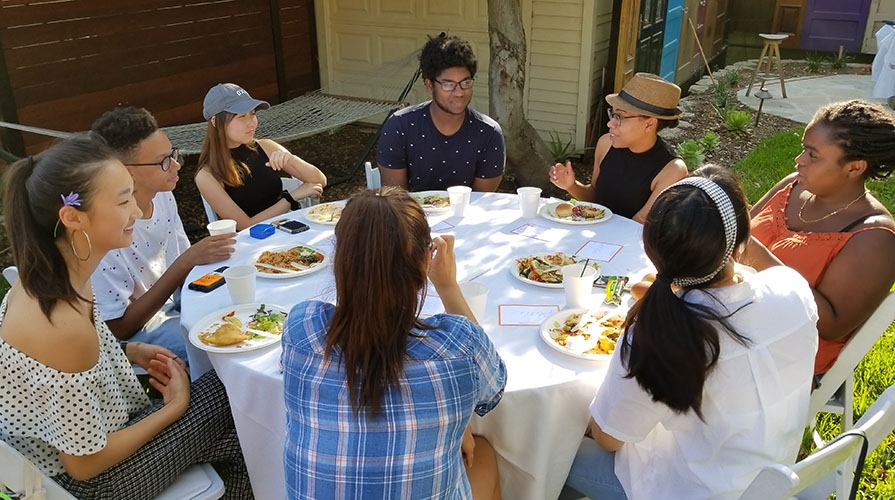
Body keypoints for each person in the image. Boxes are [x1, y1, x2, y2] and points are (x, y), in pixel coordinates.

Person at [0, 136, 253, 499]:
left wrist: (129, 350)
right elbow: (83, 464)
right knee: (230, 396)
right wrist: (175, 408)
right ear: (72, 217)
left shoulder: (49, 278)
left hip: (85, 447)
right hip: (81, 485)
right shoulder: (63, 322)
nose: (136, 211)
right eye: (123, 200)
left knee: (239, 430)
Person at [562, 167, 818, 500]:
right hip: (769, 478)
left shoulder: (658, 331)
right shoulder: (793, 291)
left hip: (681, 489)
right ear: (742, 240)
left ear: (653, 250)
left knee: (547, 450)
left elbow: (608, 437)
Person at [281, 187, 506, 499]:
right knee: (484, 456)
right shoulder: (460, 345)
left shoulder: (300, 329)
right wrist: (448, 285)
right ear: (427, 259)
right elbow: (492, 392)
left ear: (339, 256)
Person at [745, 99, 895, 375]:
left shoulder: (873, 237)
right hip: (731, 319)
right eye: (804, 149)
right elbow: (738, 233)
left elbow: (832, 324)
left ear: (855, 167)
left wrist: (759, 257)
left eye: (813, 155)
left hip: (783, 358)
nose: (799, 161)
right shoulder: (791, 186)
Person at [90, 106, 236, 364]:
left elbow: (184, 270)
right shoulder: (104, 231)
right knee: (218, 344)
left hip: (179, 298)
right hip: (139, 330)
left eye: (172, 154)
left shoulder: (163, 196)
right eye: (163, 161)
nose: (176, 165)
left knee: (247, 310)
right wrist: (187, 261)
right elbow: (119, 328)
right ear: (127, 171)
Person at [548, 72, 688, 223]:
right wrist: (571, 185)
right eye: (613, 115)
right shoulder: (606, 144)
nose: (610, 124)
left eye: (619, 117)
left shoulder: (672, 170)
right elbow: (596, 199)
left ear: (649, 124)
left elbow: (637, 226)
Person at [377, 33, 506, 192]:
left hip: (468, 215)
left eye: (465, 82)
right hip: (411, 215)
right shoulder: (399, 126)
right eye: (448, 85)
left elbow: (480, 202)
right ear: (429, 85)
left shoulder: (488, 133)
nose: (459, 92)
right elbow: (395, 200)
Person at [195, 83, 327, 230]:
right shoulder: (207, 175)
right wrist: (291, 198)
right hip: (256, 242)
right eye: (241, 116)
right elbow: (245, 226)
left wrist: (292, 160)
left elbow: (320, 181)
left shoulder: (266, 146)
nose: (251, 123)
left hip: (291, 229)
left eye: (253, 114)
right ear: (215, 122)